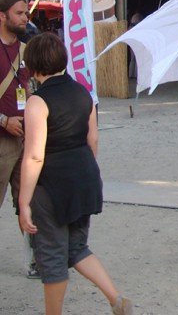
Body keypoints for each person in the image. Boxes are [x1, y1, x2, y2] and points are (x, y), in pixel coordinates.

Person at [18, 33, 133, 314]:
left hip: (52, 185)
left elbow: (34, 155)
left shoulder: (37, 101)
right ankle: (116, 299)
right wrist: (83, 172)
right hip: (85, 176)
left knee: (52, 256)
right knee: (77, 247)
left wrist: (23, 202)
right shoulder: (83, 93)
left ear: (33, 65)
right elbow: (92, 139)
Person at [0, 0, 36, 277]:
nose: (25, 18)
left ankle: (35, 259)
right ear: (2, 15)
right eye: (19, 13)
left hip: (24, 139)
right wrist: (3, 120)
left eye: (26, 13)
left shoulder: (27, 51)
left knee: (28, 201)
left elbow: (28, 90)